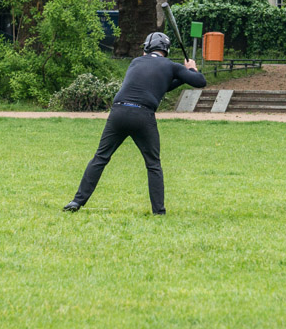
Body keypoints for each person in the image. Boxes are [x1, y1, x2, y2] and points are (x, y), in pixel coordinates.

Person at [63, 32, 207, 216]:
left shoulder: (136, 62)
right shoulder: (171, 66)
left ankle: (77, 201)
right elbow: (200, 82)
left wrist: (183, 74)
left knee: (100, 157)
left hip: (119, 112)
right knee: (153, 164)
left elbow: (161, 85)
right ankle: (159, 212)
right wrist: (191, 70)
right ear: (166, 50)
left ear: (147, 47)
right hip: (143, 115)